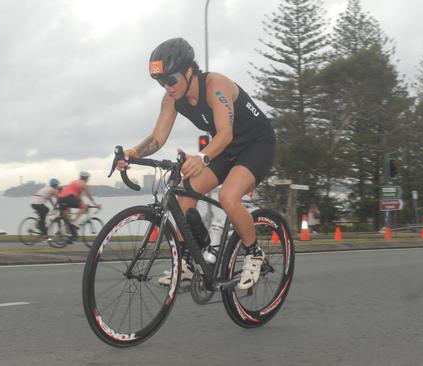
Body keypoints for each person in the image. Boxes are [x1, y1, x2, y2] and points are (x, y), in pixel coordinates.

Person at [117, 38, 276, 290]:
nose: (167, 87)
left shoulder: (216, 86)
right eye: (161, 82)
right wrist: (134, 152)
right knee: (185, 193)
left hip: (257, 145)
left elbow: (225, 134)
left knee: (228, 197)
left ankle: (255, 253)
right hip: (225, 149)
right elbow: (157, 138)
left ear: (190, 71)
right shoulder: (172, 99)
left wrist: (201, 157)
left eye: (171, 80)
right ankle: (191, 261)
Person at [58, 171, 102, 235]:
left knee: (67, 217)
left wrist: (82, 203)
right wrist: (96, 205)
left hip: (61, 199)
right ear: (86, 178)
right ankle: (74, 222)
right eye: (88, 178)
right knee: (83, 207)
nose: (88, 179)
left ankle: (67, 234)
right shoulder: (83, 184)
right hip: (69, 197)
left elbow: (78, 197)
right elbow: (90, 197)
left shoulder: (74, 182)